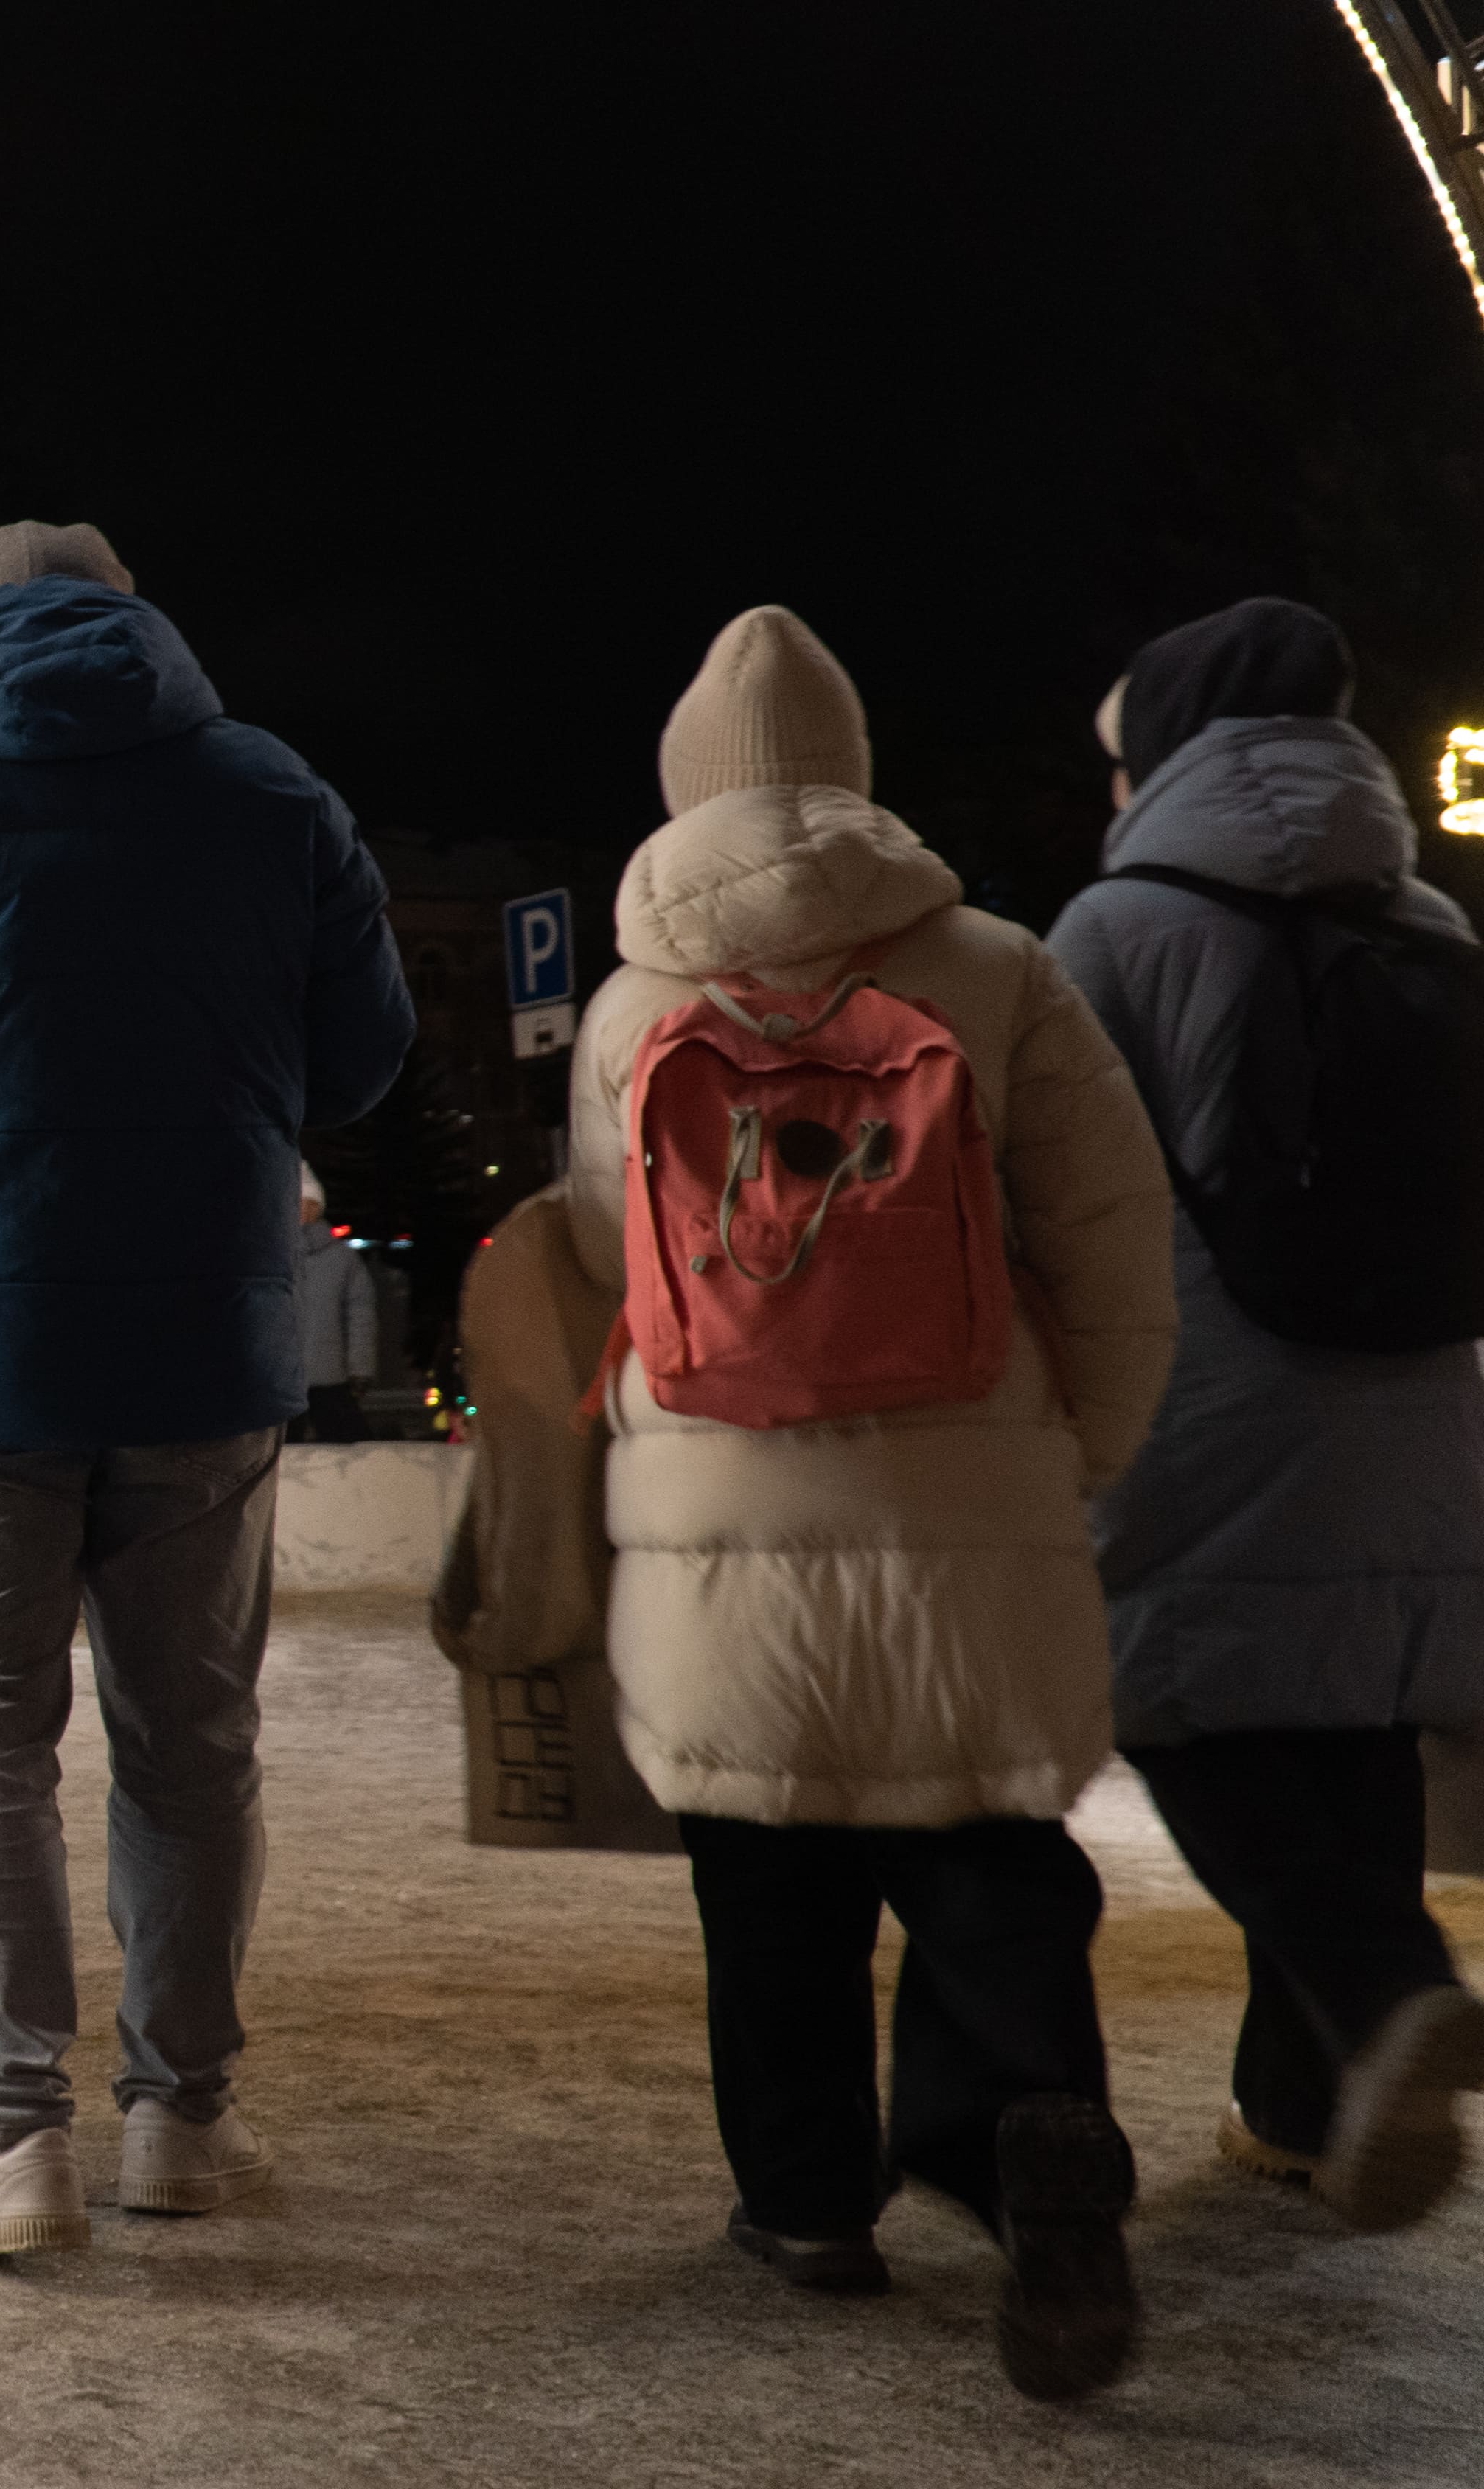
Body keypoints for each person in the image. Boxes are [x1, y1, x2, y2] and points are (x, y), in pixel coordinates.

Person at [0, 519, 414, 2255]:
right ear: (130, 621)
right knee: (192, 1747)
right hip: (203, 1340)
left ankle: (6, 2136)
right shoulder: (274, 796)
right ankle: (181, 2119)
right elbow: (361, 1057)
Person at [565, 605, 1174, 2399]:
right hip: (969, 1487)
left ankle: (810, 2199)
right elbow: (1112, 1231)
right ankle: (1042, 2123)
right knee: (991, 1845)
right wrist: (1080, 1438)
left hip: (715, 1509)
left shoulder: (633, 1002)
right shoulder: (996, 966)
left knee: (766, 1876)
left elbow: (619, 1259)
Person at [1047, 597, 1484, 2231]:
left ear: (1161, 756)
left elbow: (1068, 1197)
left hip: (1210, 1393)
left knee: (1187, 1710)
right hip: (1415, 1397)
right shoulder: (1429, 919)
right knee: (1349, 1717)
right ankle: (1299, 2107)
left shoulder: (1121, 928)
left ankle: (1382, 1997)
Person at [290, 1169, 379, 1442]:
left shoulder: (342, 1259)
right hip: (281, 1380)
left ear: (317, 1207)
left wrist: (360, 1369)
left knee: (350, 1456)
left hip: (329, 1377)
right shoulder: (268, 1258)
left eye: (304, 1202)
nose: (298, 1209)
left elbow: (360, 1315)